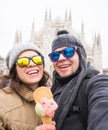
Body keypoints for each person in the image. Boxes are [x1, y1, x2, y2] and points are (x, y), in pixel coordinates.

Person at [48, 30, 108, 130]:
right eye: (55, 55)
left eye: (68, 52)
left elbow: (103, 104)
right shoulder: (53, 89)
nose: (61, 58)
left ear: (81, 56)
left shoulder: (95, 82)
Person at [0, 42, 56, 130]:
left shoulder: (53, 96)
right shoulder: (2, 101)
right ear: (14, 69)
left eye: (37, 59)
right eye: (23, 62)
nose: (32, 64)